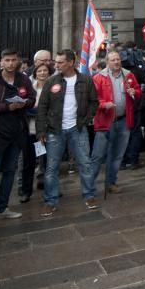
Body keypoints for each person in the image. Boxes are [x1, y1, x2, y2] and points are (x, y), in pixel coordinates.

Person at [35, 49, 99, 217]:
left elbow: (94, 102)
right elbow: (42, 107)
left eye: (60, 62)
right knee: (51, 167)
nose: (56, 65)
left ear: (71, 63)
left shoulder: (85, 80)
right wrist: (41, 130)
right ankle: (50, 200)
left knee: (85, 163)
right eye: (56, 62)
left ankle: (89, 195)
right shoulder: (51, 81)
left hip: (78, 129)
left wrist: (86, 119)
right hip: (55, 130)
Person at [0, 48, 35, 225]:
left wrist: (25, 102)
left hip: (16, 133)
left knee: (10, 171)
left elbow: (32, 97)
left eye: (13, 60)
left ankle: (3, 208)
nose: (11, 63)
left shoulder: (23, 79)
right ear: (1, 62)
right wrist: (7, 107)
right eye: (7, 60)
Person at [91, 51, 140, 194]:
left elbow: (137, 91)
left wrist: (135, 92)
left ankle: (111, 182)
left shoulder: (128, 75)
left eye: (118, 59)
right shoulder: (99, 78)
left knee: (118, 154)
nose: (116, 62)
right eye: (113, 60)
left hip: (124, 120)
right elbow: (94, 99)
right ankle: (89, 186)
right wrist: (104, 104)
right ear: (107, 62)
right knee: (98, 155)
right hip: (106, 121)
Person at [19, 62, 52, 204]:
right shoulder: (30, 90)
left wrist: (38, 110)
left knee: (46, 162)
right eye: (40, 71)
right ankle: (26, 191)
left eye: (45, 71)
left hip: (45, 132)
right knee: (28, 162)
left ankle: (49, 189)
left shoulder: (53, 89)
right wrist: (38, 110)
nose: (43, 73)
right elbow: (25, 107)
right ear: (35, 74)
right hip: (30, 132)